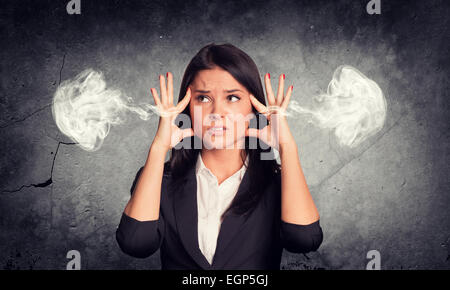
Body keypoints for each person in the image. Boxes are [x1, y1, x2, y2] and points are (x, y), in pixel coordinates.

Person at [116, 42, 323, 270]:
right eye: (203, 99)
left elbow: (304, 240)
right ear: (188, 109)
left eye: (232, 98)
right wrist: (158, 148)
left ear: (254, 107)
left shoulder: (278, 182)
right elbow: (135, 244)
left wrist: (287, 147)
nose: (216, 114)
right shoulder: (160, 179)